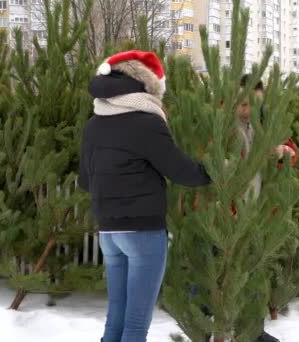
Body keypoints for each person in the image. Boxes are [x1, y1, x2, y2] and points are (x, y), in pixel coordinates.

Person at [79, 50, 211, 342]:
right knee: (136, 323)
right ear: (148, 86)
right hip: (143, 231)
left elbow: (85, 180)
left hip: (109, 231)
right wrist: (214, 171)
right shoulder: (146, 122)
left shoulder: (94, 123)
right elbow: (180, 171)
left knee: (116, 316)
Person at [237, 75, 297, 342]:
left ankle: (253, 331)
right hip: (227, 216)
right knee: (220, 276)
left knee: (254, 274)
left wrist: (283, 152)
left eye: (257, 102)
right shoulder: (223, 125)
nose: (250, 108)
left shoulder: (265, 123)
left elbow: (292, 152)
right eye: (246, 101)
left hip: (259, 214)